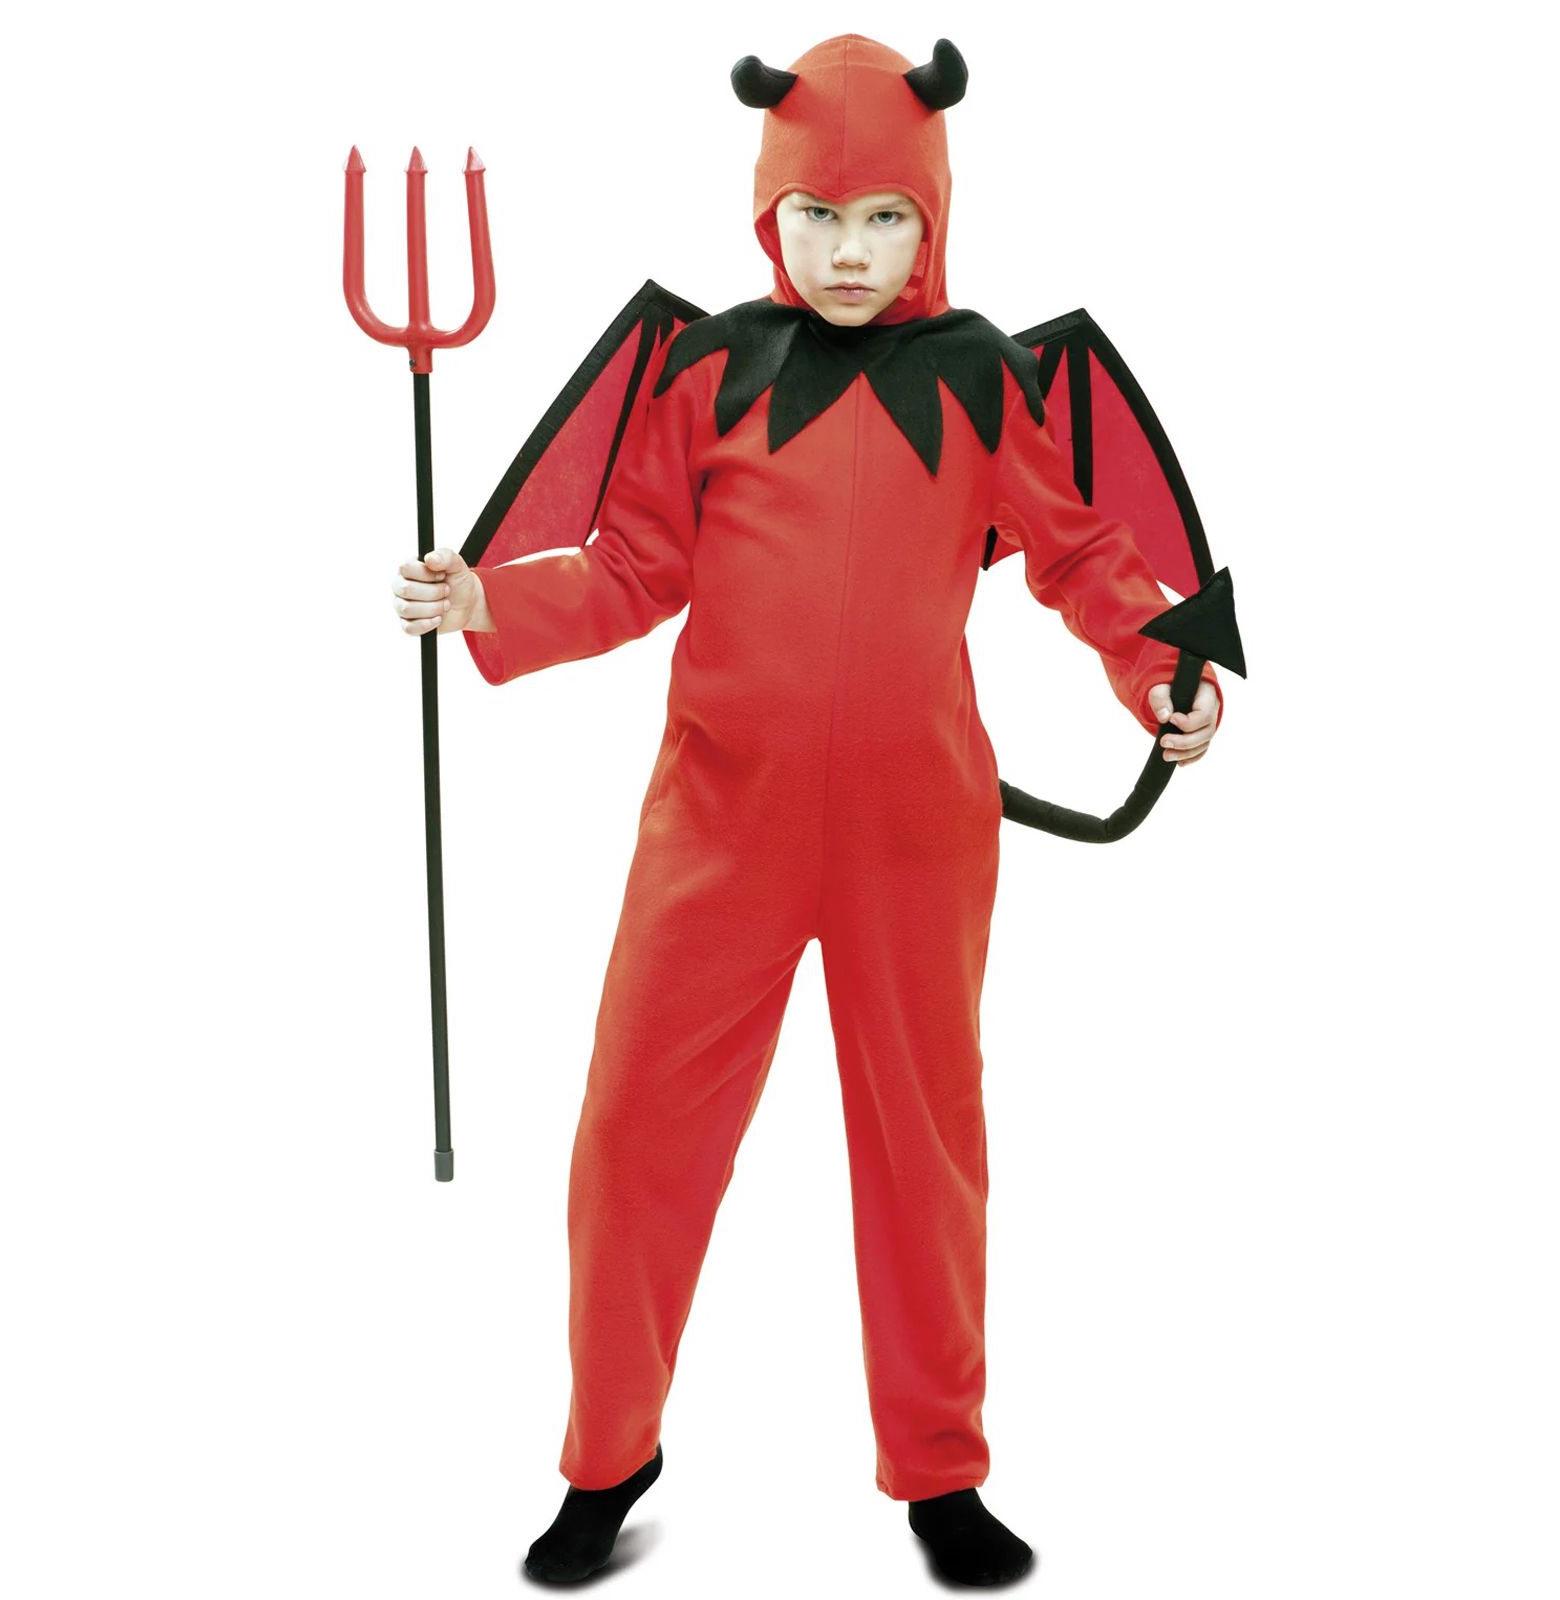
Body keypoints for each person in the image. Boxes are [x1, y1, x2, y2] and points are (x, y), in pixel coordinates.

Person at [391, 34, 1221, 1587]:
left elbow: (1084, 557)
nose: (851, 251)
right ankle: (609, 1453)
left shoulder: (987, 378)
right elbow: (634, 566)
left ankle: (940, 1471)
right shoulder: (705, 371)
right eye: (820, 215)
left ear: (934, 219)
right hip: (720, 828)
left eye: (888, 218)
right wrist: (491, 599)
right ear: (769, 210)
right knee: (633, 1132)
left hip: (917, 838)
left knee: (925, 1147)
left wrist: (1158, 674)